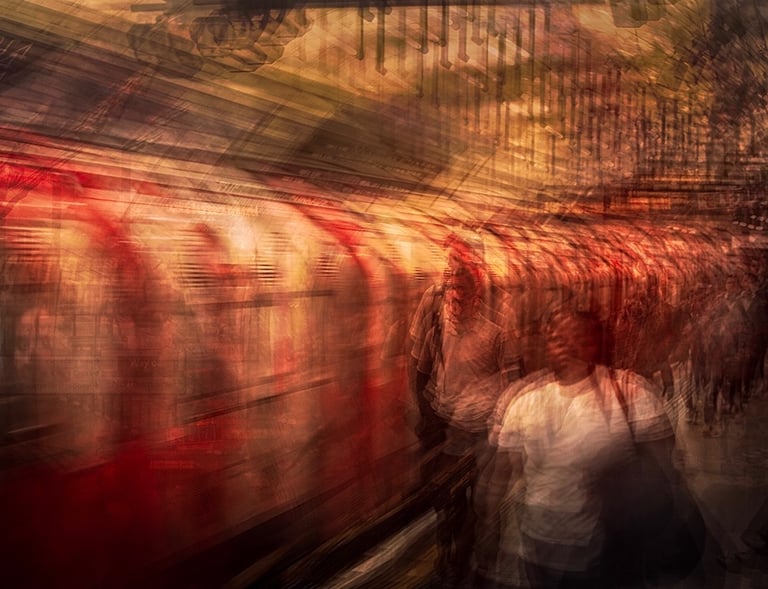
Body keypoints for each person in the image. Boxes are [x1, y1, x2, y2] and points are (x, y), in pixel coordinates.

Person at [483, 308, 707, 588]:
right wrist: (489, 533)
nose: (567, 347)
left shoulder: (630, 393)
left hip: (608, 548)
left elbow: (665, 466)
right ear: (547, 345)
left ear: (595, 343)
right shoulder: (524, 401)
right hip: (539, 547)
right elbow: (500, 476)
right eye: (557, 339)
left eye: (577, 337)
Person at [408, 231, 524, 588]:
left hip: (487, 428)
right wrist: (425, 415)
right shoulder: (434, 304)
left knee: (487, 504)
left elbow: (513, 375)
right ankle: (450, 560)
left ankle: (482, 570)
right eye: (449, 268)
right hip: (448, 425)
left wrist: (507, 424)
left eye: (459, 268)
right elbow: (419, 363)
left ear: (476, 272)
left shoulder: (501, 314)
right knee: (448, 499)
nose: (452, 278)